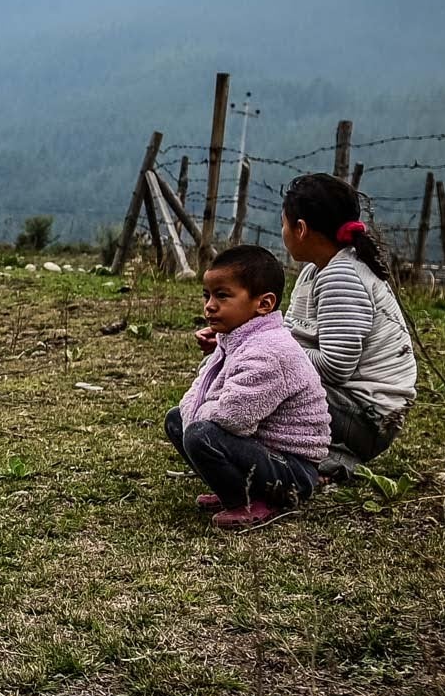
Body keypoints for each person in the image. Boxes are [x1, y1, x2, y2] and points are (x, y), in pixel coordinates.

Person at [167, 245, 330, 529]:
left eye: (222, 296)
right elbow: (203, 387)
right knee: (177, 420)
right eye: (207, 295)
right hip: (263, 451)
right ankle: (235, 489)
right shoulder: (235, 338)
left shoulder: (268, 352)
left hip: (292, 470)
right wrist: (191, 414)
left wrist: (197, 420)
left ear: (264, 304)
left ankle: (253, 501)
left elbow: (234, 417)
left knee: (199, 434)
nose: (209, 306)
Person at [279, 174, 418, 481]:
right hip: (348, 408)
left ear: (300, 229)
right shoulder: (315, 271)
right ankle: (319, 456)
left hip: (367, 419)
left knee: (271, 379)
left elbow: (335, 367)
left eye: (284, 223)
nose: (283, 231)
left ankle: (328, 459)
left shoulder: (341, 276)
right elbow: (290, 334)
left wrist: (275, 354)